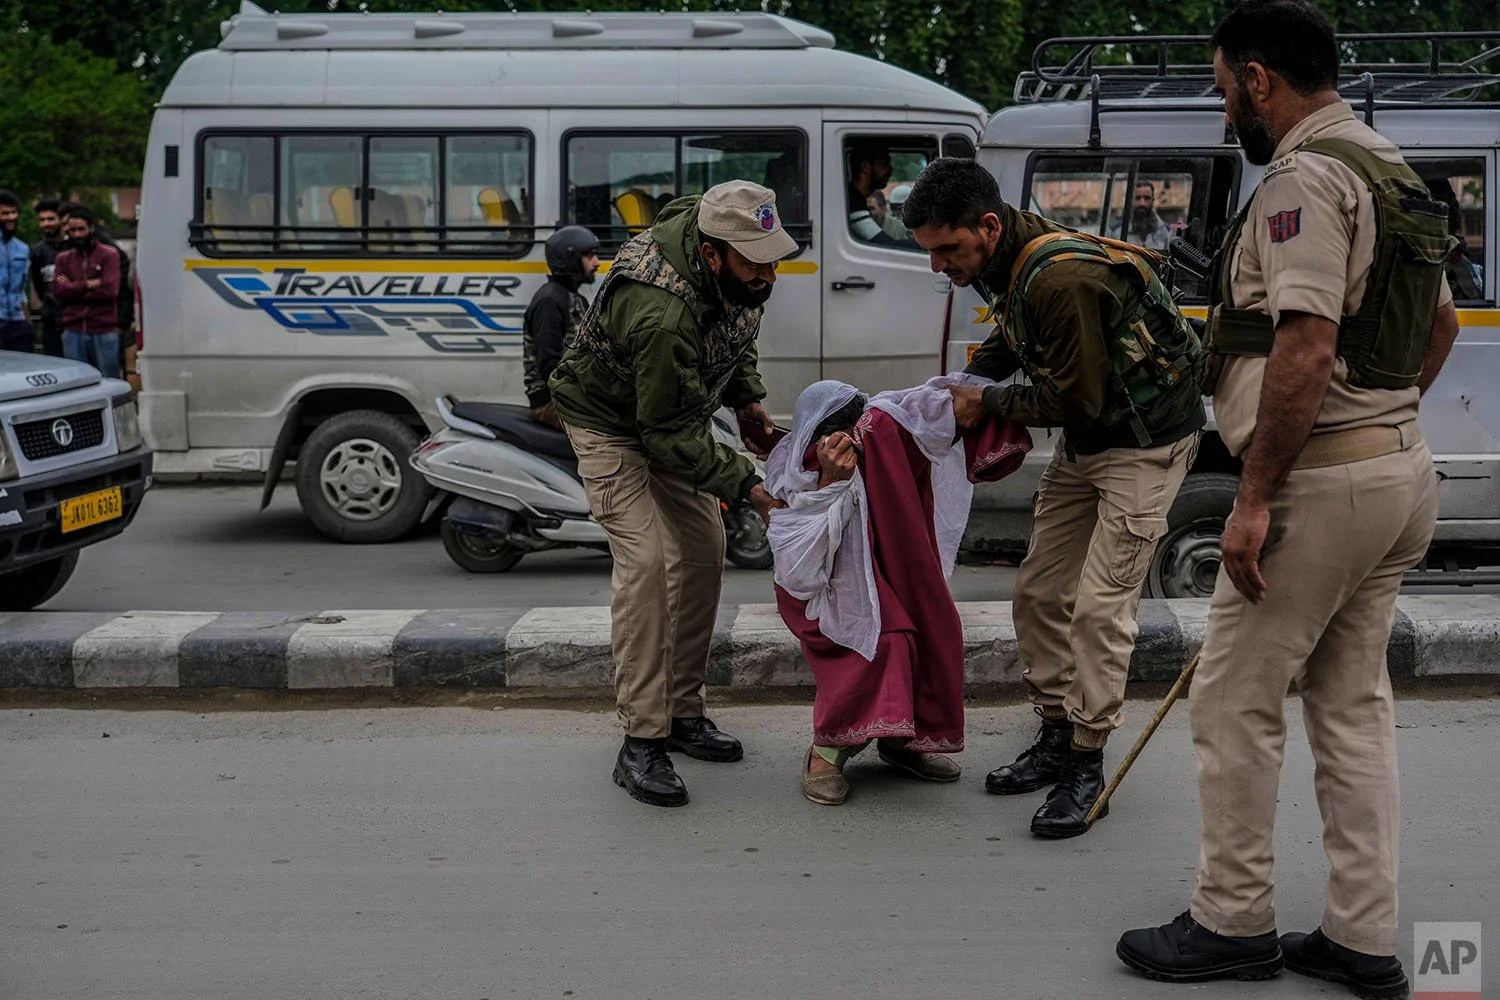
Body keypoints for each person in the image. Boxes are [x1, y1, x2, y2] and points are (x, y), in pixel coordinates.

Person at [1116, 2, 1462, 994]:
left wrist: (1256, 495)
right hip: (1397, 475)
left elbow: (1305, 345)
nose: (1224, 112)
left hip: (1320, 488)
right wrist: (1384, 418)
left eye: (1225, 90)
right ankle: (1361, 938)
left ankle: (1231, 920)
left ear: (1261, 79)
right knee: (1354, 710)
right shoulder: (1390, 169)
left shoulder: (1304, 178)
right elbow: (1435, 326)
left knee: (1234, 702)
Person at [903, 157, 1206, 839]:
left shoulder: (1061, 277)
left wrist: (988, 401)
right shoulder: (1002, 258)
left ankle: (1085, 759)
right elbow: (1016, 338)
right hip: (1089, 443)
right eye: (930, 252)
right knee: (1039, 594)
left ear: (986, 224)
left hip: (1143, 446)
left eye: (946, 250)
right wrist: (955, 385)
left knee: (1100, 611)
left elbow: (1077, 397)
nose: (938, 267)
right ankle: (1054, 730)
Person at [548, 180, 796, 808]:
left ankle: (683, 712)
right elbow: (666, 435)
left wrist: (748, 401)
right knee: (648, 562)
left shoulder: (732, 253)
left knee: (704, 548)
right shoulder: (662, 311)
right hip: (610, 423)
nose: (767, 275)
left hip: (670, 414)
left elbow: (736, 328)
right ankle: (642, 738)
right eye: (753, 263)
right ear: (712, 255)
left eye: (772, 259)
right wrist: (749, 486)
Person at [767, 377, 1031, 805]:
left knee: (935, 629)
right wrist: (831, 483)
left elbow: (925, 409)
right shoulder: (795, 468)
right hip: (828, 592)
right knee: (886, 641)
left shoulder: (880, 438)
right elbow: (800, 571)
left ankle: (902, 742)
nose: (853, 443)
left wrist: (987, 398)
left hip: (889, 574)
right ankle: (825, 754)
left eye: (858, 433)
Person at [523, 225, 600, 429]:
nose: (597, 262)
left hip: (570, 397)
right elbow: (549, 364)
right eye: (589, 256)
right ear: (570, 259)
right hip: (552, 402)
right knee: (613, 435)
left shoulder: (573, 298)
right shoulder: (549, 302)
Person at [52, 207, 124, 377]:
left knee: (109, 379)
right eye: (73, 230)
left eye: (81, 229)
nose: (77, 235)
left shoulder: (109, 255)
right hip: (73, 329)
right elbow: (58, 291)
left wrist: (72, 287)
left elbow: (109, 291)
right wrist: (87, 285)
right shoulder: (63, 258)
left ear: (91, 228)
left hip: (103, 328)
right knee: (76, 381)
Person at [29, 199, 67, 357]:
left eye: (51, 219)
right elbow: (38, 285)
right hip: (50, 320)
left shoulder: (74, 246)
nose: (46, 224)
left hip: (76, 320)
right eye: (42, 220)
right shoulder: (37, 252)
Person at [0, 190, 35, 353]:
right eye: (4, 213)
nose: (11, 217)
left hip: (17, 321)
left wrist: (27, 320)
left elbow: (22, 289)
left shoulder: (22, 248)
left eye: (13, 212)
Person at [1114, 181, 1175, 251]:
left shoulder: (1166, 232)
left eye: (1147, 198)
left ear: (1153, 200)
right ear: (1131, 200)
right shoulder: (1116, 232)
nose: (1142, 203)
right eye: (1138, 198)